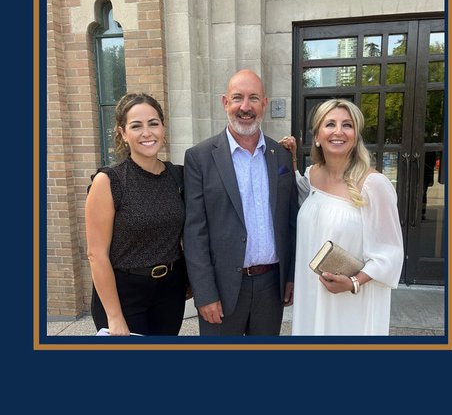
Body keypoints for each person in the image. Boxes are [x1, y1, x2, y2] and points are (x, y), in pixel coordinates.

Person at [183, 70, 298, 337]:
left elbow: (290, 221)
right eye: (237, 98)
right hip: (221, 290)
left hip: (271, 286)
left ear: (264, 104)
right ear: (225, 102)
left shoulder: (281, 155)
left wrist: (291, 276)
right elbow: (194, 232)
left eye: (253, 98)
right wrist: (205, 293)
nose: (245, 107)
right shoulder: (200, 158)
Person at [286, 99, 403, 336]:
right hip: (312, 294)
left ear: (355, 136)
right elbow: (302, 200)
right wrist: (291, 158)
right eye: (330, 124)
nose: (338, 131)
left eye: (347, 125)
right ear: (317, 136)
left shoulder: (374, 184)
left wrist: (354, 282)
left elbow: (390, 253)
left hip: (351, 301)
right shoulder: (312, 175)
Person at [84, 93, 188, 335]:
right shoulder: (109, 181)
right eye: (136, 126)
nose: (147, 133)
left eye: (153, 123)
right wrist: (114, 317)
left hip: (170, 292)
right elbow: (96, 254)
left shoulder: (177, 176)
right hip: (124, 294)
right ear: (122, 133)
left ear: (163, 128)